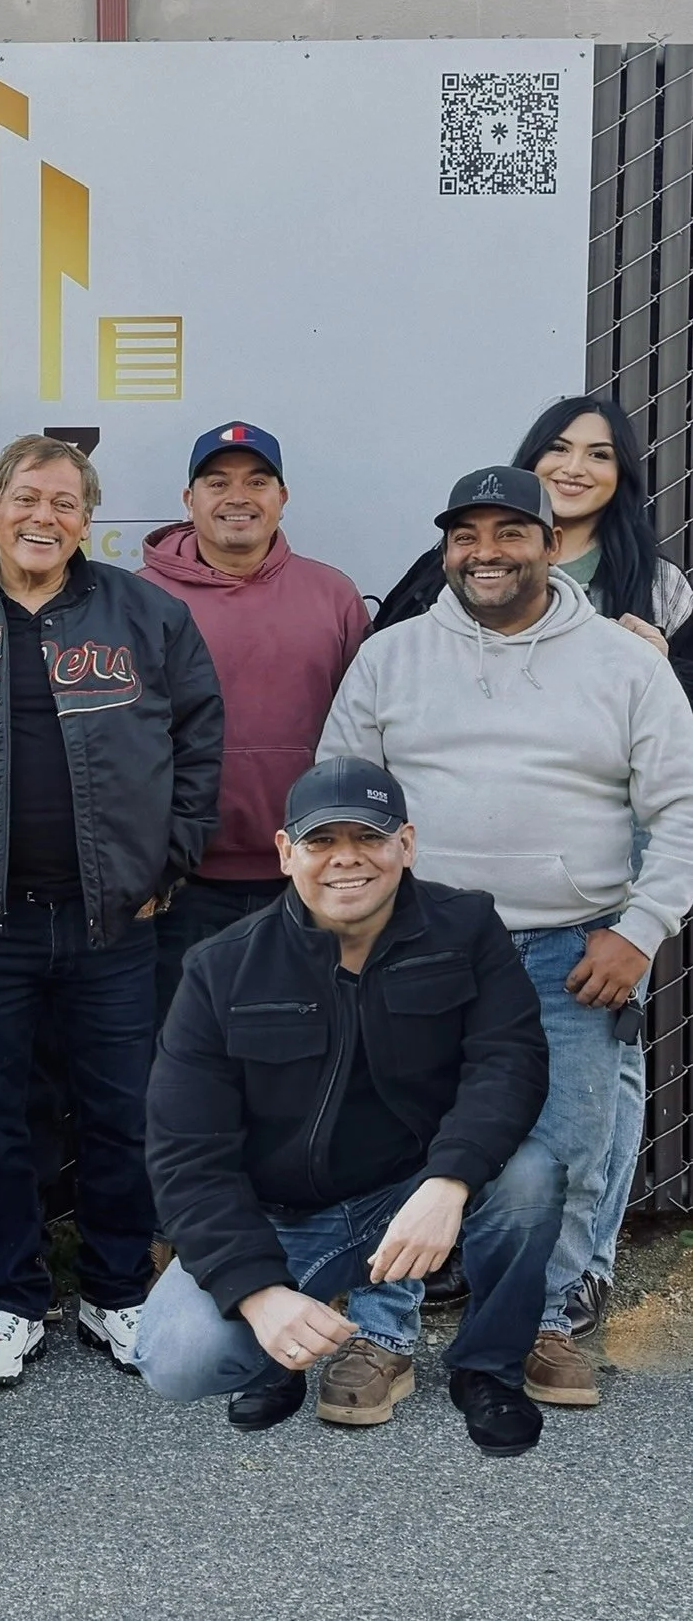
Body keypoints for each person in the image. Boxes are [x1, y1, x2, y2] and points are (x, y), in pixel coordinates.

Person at [321, 465, 693, 1411]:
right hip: (417, 945)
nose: (484, 553)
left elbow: (682, 806)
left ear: (552, 545)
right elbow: (341, 798)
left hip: (574, 952)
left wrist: (641, 930)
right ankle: (382, 1334)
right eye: (465, 536)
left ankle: (543, 1324)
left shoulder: (625, 666)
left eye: (509, 533)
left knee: (566, 1151)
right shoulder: (392, 658)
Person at [0, 435, 223, 1385]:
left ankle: (115, 1289)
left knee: (120, 1111)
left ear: (87, 520)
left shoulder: (148, 614)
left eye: (65, 502)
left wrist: (169, 859)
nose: (42, 518)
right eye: (26, 498)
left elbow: (199, 742)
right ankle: (11, 1299)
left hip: (112, 922)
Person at [135, 758, 563, 1458]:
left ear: (407, 844)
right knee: (178, 1356)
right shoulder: (221, 969)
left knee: (530, 1175)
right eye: (321, 840)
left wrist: (450, 1181)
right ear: (285, 853)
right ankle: (278, 1359)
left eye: (368, 837)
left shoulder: (466, 928)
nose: (346, 858)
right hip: (286, 1216)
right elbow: (186, 1152)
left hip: (413, 1185)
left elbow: (510, 1060)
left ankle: (487, 1369)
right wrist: (259, 1292)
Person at [139, 421, 368, 1015]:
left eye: (257, 481)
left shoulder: (334, 595)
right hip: (177, 886)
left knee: (304, 1051)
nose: (237, 497)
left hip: (309, 879)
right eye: (217, 482)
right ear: (189, 499)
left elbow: (367, 736)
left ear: (282, 497)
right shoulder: (137, 598)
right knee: (182, 1050)